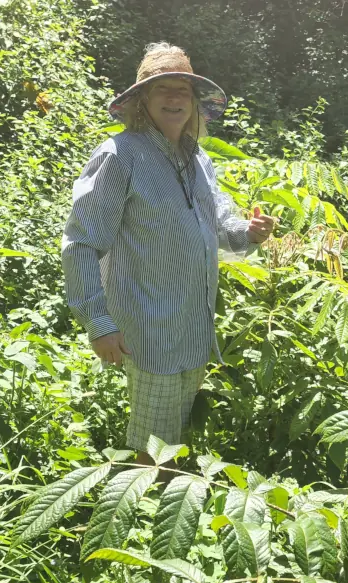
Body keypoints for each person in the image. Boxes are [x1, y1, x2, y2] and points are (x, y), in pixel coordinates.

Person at [61, 42, 274, 466]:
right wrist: (98, 322)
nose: (175, 98)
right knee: (152, 444)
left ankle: (164, 500)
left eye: (183, 89)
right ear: (142, 100)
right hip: (149, 324)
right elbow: (81, 243)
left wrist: (249, 232)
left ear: (195, 102)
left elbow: (220, 222)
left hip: (192, 323)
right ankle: (138, 513)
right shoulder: (119, 156)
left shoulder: (197, 158)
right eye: (163, 89)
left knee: (172, 433)